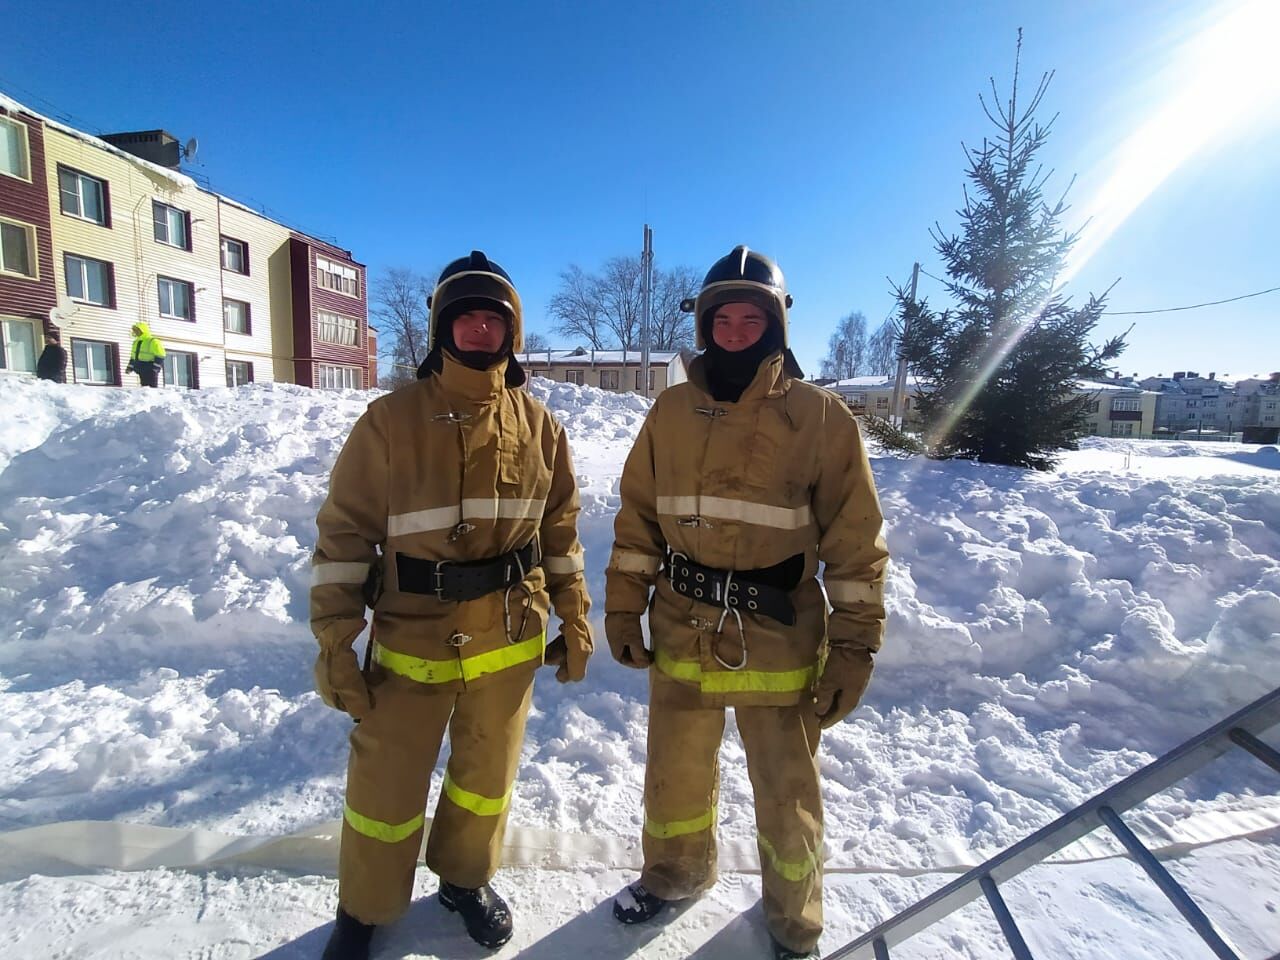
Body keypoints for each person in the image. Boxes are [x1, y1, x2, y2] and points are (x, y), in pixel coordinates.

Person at [605, 246, 889, 960]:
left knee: (786, 788)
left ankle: (795, 921)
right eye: (721, 317)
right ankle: (674, 875)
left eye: (749, 317)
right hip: (680, 622)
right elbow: (637, 515)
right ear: (704, 325)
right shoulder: (668, 411)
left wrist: (855, 646)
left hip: (778, 632)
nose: (734, 329)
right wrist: (621, 606)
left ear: (775, 326)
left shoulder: (820, 418)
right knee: (674, 772)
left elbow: (856, 543)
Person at [311, 250, 593, 960]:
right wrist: (335, 643)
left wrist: (577, 617)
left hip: (510, 635)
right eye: (462, 317)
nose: (476, 329)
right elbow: (344, 535)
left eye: (490, 318)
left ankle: (465, 881)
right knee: (385, 784)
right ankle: (366, 907)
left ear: (512, 332)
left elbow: (561, 532)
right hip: (412, 640)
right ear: (441, 328)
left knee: (485, 778)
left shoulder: (539, 425)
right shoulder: (389, 421)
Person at [126, 322, 165, 387]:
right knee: (144, 388)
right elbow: (133, 357)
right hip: (140, 367)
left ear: (142, 330)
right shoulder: (136, 342)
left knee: (152, 389)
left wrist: (155, 368)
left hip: (150, 367)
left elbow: (160, 354)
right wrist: (130, 367)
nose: (135, 332)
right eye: (134, 330)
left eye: (137, 330)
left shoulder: (152, 341)